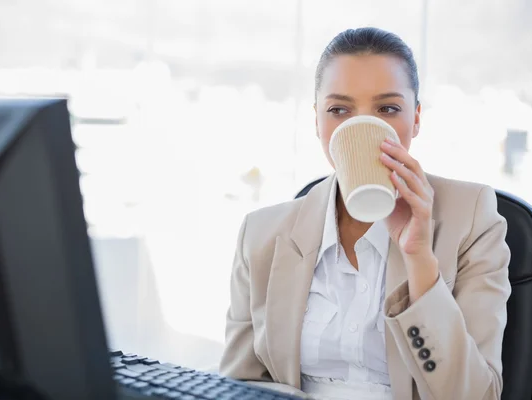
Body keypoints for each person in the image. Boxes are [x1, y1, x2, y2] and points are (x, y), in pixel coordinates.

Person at [219, 27, 511, 400]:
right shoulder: (261, 234)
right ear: (317, 122)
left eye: (387, 109)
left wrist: (419, 259)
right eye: (339, 110)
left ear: (416, 118)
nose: (360, 127)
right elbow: (237, 386)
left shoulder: (472, 217)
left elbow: (476, 396)